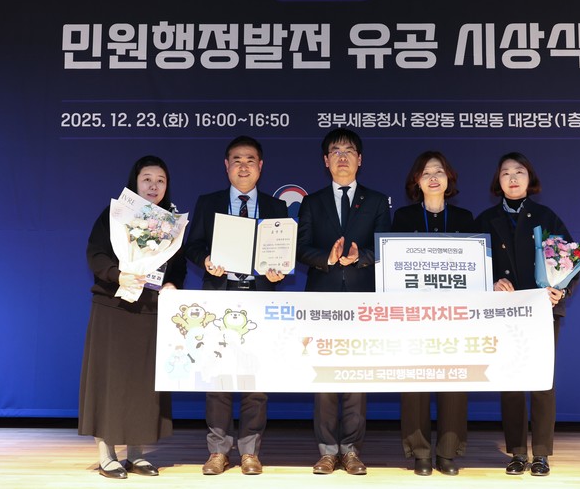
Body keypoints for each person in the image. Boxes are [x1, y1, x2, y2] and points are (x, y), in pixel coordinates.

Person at [184, 135, 288, 476]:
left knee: (255, 381)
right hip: (220, 296)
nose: (244, 166)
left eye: (250, 160)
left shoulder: (276, 208)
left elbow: (282, 254)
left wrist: (277, 272)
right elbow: (193, 245)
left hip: (259, 298)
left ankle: (250, 452)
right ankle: (218, 451)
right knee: (218, 379)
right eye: (237, 160)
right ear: (226, 166)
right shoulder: (209, 202)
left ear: (261, 166)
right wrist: (206, 260)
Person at [79, 155, 186, 479]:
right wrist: (118, 275)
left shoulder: (172, 223)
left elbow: (178, 266)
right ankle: (107, 455)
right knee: (109, 381)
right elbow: (95, 254)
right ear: (135, 182)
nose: (154, 186)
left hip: (149, 310)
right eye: (147, 179)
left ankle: (138, 454)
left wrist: (172, 284)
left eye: (160, 180)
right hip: (113, 307)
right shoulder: (114, 216)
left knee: (143, 385)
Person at [475, 152, 580, 477]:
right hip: (504, 312)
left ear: (529, 179)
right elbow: (472, 267)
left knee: (542, 381)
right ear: (498, 181)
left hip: (542, 310)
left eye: (519, 171)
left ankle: (542, 454)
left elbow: (571, 261)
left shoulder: (546, 217)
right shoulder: (485, 220)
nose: (512, 178)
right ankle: (517, 453)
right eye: (505, 172)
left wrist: (561, 290)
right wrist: (491, 283)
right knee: (510, 381)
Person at [296, 128, 391, 475]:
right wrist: (328, 258)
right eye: (335, 151)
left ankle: (350, 450)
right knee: (323, 377)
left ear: (360, 159)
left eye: (349, 151)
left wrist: (358, 258)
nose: (342, 157)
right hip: (322, 300)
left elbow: (384, 246)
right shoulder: (312, 202)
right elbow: (301, 248)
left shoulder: (377, 201)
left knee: (355, 376)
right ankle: (326, 451)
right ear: (325, 161)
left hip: (362, 301)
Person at [390, 151, 474, 476]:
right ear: (417, 181)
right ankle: (420, 452)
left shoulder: (465, 219)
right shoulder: (404, 218)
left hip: (455, 315)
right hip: (414, 314)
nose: (433, 177)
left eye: (439, 171)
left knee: (454, 381)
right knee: (415, 381)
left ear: (449, 178)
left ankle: (448, 453)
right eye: (426, 173)